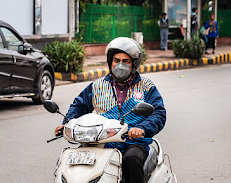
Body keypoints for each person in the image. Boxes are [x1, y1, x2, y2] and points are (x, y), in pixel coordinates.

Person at [54, 37, 166, 183]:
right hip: (101, 141)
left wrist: (142, 128)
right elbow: (78, 105)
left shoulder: (146, 86)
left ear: (134, 64)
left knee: (131, 160)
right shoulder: (97, 86)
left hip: (133, 142)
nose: (120, 65)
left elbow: (159, 113)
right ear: (110, 62)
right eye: (116, 60)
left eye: (125, 61)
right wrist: (67, 123)